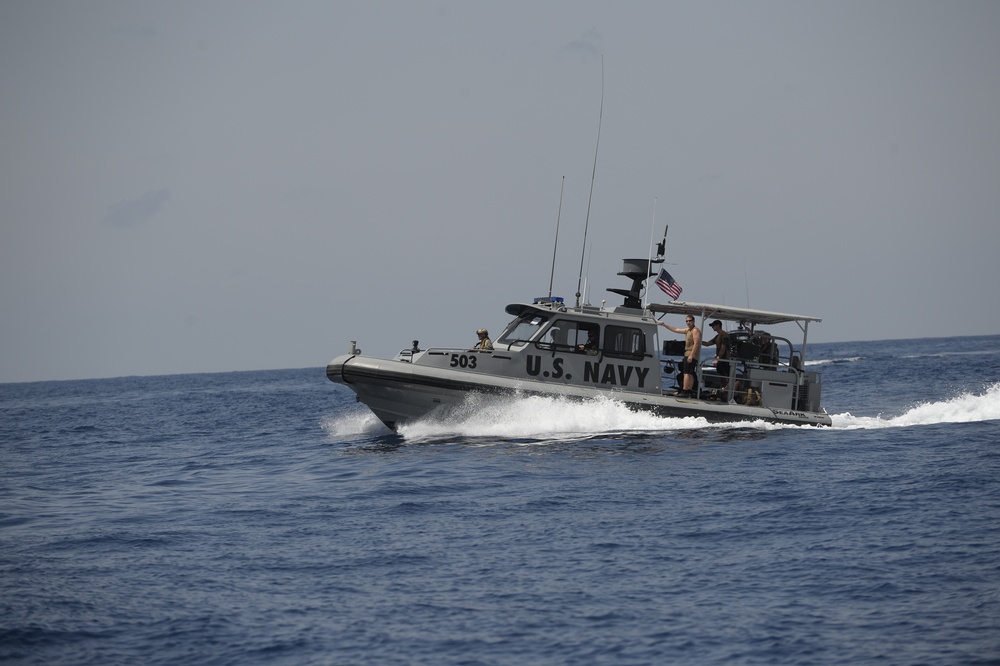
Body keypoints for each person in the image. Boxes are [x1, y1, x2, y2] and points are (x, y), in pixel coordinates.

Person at [659, 316, 701, 397]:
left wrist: (691, 355)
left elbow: (696, 344)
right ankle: (689, 390)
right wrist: (665, 325)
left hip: (690, 354)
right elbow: (676, 329)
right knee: (690, 373)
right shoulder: (688, 330)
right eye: (687, 321)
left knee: (686, 373)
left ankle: (685, 390)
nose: (688, 322)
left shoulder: (695, 330)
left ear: (693, 321)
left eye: (690, 321)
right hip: (689, 354)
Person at [702, 319, 731, 391]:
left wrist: (718, 357)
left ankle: (728, 390)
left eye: (713, 325)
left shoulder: (724, 334)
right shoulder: (717, 336)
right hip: (720, 360)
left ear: (718, 325)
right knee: (721, 375)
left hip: (724, 359)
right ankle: (724, 389)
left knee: (726, 376)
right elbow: (707, 344)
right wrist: (698, 341)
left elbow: (723, 347)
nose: (712, 327)